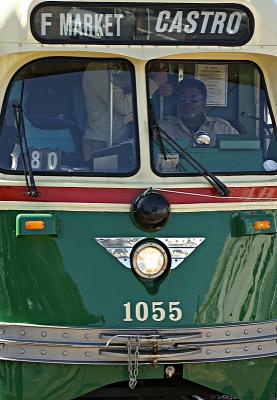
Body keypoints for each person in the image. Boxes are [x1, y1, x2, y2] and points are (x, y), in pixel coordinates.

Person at [159, 78, 239, 147]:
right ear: (177, 102)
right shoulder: (163, 128)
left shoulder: (223, 129)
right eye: (183, 98)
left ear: (204, 102)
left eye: (194, 98)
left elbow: (240, 156)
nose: (188, 102)